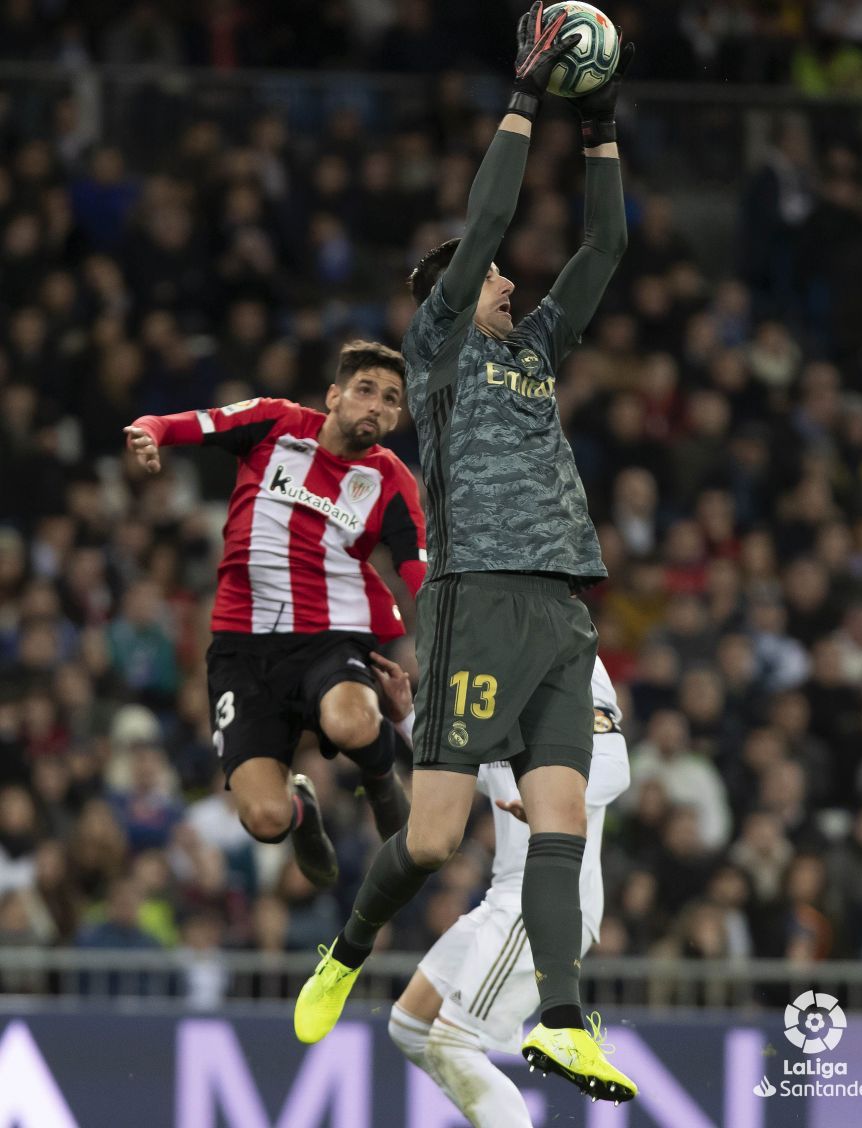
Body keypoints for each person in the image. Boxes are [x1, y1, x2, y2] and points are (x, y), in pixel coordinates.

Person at [294, 3, 637, 1104]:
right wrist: (527, 96)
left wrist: (602, 126)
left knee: (562, 818)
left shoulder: (535, 349)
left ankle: (565, 1023)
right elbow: (488, 220)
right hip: (475, 596)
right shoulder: (437, 349)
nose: (503, 279)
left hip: (560, 606)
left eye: (494, 275)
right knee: (436, 836)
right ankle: (347, 949)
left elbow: (606, 246)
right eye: (484, 273)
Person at [123, 340, 426, 888]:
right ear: (333, 396)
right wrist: (150, 431)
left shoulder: (391, 478)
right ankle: (301, 811)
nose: (377, 405)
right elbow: (193, 423)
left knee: (352, 721)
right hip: (243, 649)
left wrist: (454, 623)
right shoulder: (275, 423)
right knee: (265, 820)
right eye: (365, 390)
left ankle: (381, 777)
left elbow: (417, 570)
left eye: (390, 399)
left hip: (331, 636)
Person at [380, 653, 631, 1128]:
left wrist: (552, 807)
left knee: (453, 1043)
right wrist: (406, 717)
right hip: (504, 896)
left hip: (545, 901)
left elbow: (615, 768)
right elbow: (473, 766)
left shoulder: (571, 655)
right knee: (411, 1027)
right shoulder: (482, 665)